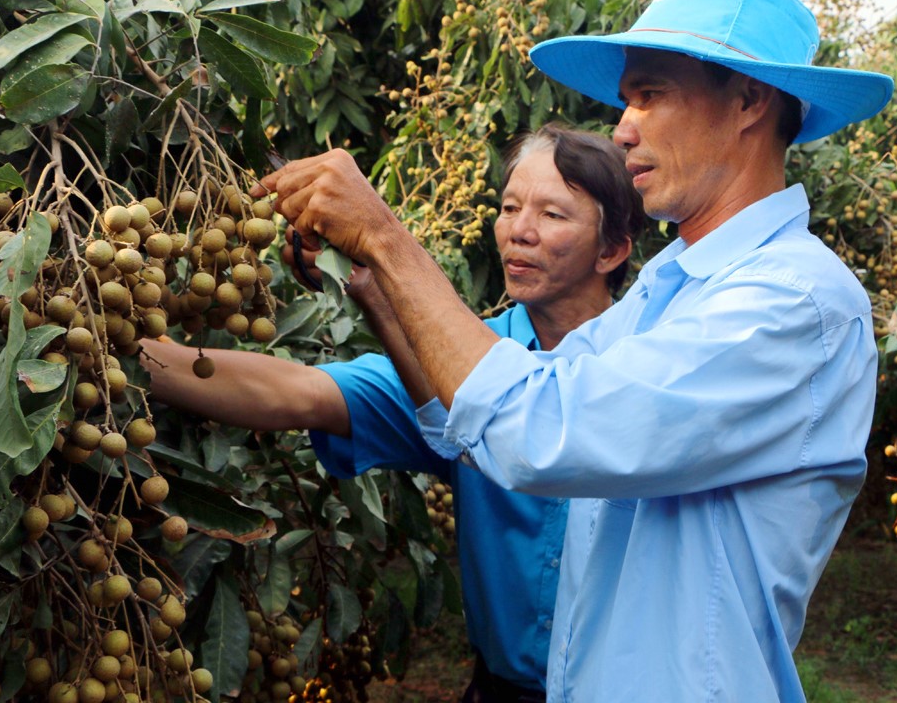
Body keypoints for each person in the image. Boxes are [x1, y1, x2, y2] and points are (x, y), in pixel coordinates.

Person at [255, 0, 895, 701]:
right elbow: (492, 409)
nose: (623, 128)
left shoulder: (792, 301)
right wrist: (374, 278)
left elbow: (537, 428)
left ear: (750, 100)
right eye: (627, 101)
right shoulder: (669, 290)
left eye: (650, 95)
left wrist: (386, 237)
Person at [141, 124, 645, 702]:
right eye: (509, 208)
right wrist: (122, 351)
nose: (519, 231)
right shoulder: (459, 366)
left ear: (611, 250)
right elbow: (298, 392)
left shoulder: (654, 371)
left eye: (552, 215)